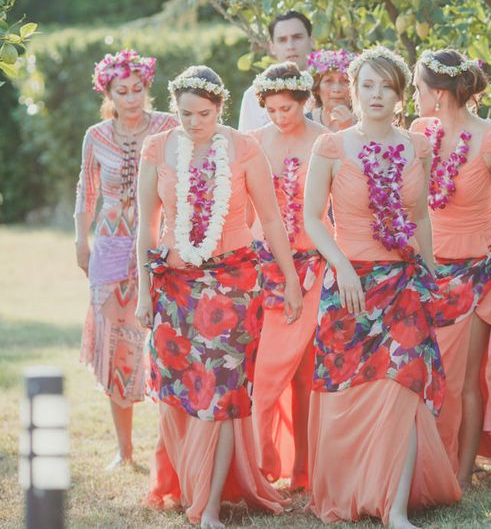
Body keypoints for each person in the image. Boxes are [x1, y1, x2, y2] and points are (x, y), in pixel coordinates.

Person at [135, 66, 302, 528]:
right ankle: (191, 483)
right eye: (185, 113)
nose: (193, 122)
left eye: (203, 114)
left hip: (233, 285)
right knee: (182, 390)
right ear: (175, 108)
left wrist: (289, 278)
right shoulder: (158, 148)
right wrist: (145, 293)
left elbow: (270, 221)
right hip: (175, 287)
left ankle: (208, 507)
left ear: (220, 108)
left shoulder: (245, 149)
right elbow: (146, 228)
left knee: (224, 394)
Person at [304, 47, 461, 528]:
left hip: (403, 285)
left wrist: (431, 272)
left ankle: (393, 508)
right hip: (348, 285)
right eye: (367, 86)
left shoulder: (418, 147)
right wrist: (341, 268)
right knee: (346, 394)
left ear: (400, 95)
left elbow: (420, 218)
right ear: (353, 91)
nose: (376, 95)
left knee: (403, 386)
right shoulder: (331, 147)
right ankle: (353, 489)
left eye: (386, 87)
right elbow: (312, 218)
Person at [410, 49, 491, 488]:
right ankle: (427, 462)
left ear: (439, 93)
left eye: (417, 87)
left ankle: (460, 476)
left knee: (465, 379)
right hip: (426, 269)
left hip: (478, 271)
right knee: (426, 371)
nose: (413, 95)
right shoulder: (418, 133)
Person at [75, 49, 177, 469]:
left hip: (159, 247)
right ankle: (125, 449)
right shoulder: (96, 135)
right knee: (117, 344)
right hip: (112, 248)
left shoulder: (168, 127)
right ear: (109, 93)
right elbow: (87, 189)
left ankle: (169, 447)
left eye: (138, 89)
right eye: (123, 91)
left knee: (165, 341)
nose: (132, 98)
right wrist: (80, 239)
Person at [247, 63, 329, 490]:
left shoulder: (324, 141)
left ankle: (305, 469)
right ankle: (260, 464)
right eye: (272, 110)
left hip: (314, 266)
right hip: (264, 268)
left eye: (287, 108)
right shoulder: (254, 142)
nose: (280, 117)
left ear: (305, 100)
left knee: (306, 372)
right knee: (264, 372)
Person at [238, 11, 315, 131]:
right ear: (272, 47)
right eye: (282, 40)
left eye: (297, 37)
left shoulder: (331, 86)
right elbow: (245, 146)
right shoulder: (253, 95)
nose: (290, 46)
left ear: (311, 41)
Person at [306, 48, 356, 131]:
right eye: (328, 81)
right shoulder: (305, 122)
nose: (336, 89)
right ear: (317, 88)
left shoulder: (366, 122)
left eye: (345, 81)